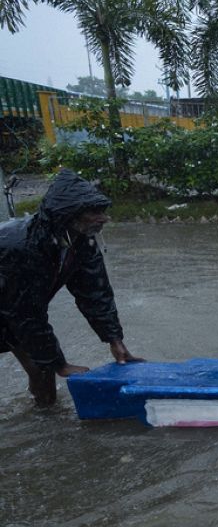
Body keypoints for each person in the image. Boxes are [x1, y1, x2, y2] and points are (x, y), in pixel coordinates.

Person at [0, 168, 141, 406]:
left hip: (10, 307)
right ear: (68, 214)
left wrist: (114, 340)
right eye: (95, 212)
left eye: (103, 212)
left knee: (41, 368)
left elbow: (95, 293)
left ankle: (45, 419)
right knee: (43, 364)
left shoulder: (80, 241)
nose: (104, 218)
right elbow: (28, 315)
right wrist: (60, 363)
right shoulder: (22, 248)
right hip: (9, 305)